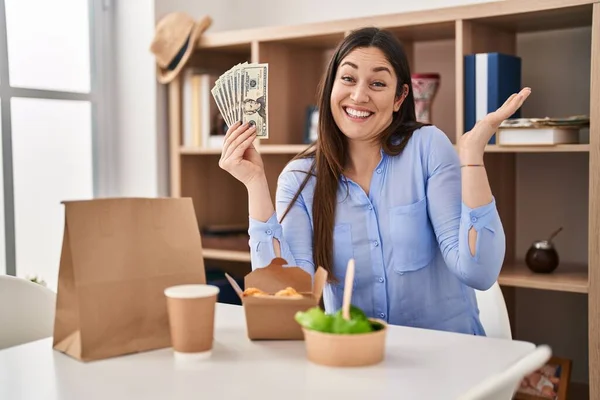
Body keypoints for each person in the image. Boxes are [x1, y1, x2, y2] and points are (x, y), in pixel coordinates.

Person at [218, 27, 531, 335]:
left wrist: (472, 156)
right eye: (349, 79)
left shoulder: (428, 148)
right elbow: (289, 300)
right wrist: (255, 183)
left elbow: (479, 272)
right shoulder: (300, 179)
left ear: (399, 97)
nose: (359, 95)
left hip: (448, 360)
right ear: (331, 88)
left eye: (378, 83)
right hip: (361, 362)